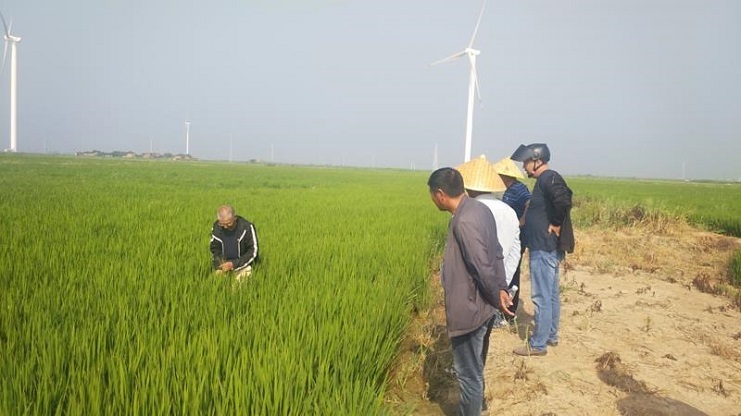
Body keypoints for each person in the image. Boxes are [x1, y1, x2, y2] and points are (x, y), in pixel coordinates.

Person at [428, 167, 513, 416]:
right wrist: (501, 288)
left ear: (440, 194)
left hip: (470, 310)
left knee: (468, 375)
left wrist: (497, 294)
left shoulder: (464, 221)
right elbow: (497, 252)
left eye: (432, 195)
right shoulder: (479, 209)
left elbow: (481, 265)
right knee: (475, 368)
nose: (432, 199)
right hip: (483, 307)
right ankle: (475, 408)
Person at [509, 144, 574, 357]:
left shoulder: (549, 178)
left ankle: (538, 344)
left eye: (526, 163)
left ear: (537, 160)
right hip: (544, 247)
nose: (524, 167)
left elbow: (563, 200)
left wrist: (556, 223)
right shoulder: (545, 180)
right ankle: (550, 335)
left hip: (544, 248)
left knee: (541, 296)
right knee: (551, 294)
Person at [492, 157, 532, 319]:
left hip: (518, 236)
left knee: (512, 270)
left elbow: (530, 202)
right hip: (512, 235)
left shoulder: (518, 189)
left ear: (505, 175)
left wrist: (521, 221)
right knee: (508, 269)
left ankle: (509, 310)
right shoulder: (510, 190)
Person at [210, 205, 259, 281]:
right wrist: (220, 263)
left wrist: (234, 264)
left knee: (239, 285)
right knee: (216, 282)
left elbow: (253, 251)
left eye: (228, 223)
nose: (225, 227)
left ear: (234, 218)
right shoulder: (217, 227)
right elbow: (215, 248)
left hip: (243, 265)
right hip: (224, 265)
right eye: (222, 224)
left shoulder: (247, 227)